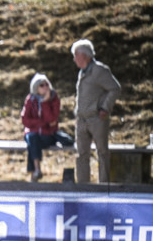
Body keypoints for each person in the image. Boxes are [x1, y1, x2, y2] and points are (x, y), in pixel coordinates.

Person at [71, 39, 121, 184]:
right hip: (82, 120)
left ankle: (104, 185)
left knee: (102, 152)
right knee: (81, 155)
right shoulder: (82, 72)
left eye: (76, 55)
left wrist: (106, 107)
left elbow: (115, 88)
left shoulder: (99, 70)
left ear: (85, 56)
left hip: (97, 119)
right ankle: (82, 186)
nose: (74, 59)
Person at [21, 73, 61, 182]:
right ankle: (37, 169)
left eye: (46, 84)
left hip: (48, 134)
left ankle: (34, 173)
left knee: (32, 143)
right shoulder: (30, 99)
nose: (45, 87)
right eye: (41, 85)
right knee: (32, 139)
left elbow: (52, 119)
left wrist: (45, 103)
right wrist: (42, 123)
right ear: (35, 88)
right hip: (33, 133)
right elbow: (25, 120)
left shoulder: (54, 98)